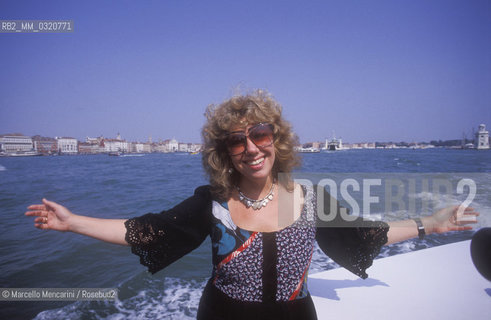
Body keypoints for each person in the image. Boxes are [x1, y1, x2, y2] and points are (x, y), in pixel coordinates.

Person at [25, 90, 479, 320]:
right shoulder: (213, 203)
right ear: (225, 153)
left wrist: (431, 225)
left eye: (260, 134)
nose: (251, 148)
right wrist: (72, 223)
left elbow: (366, 234)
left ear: (276, 140)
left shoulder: (310, 199)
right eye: (236, 141)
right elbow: (147, 231)